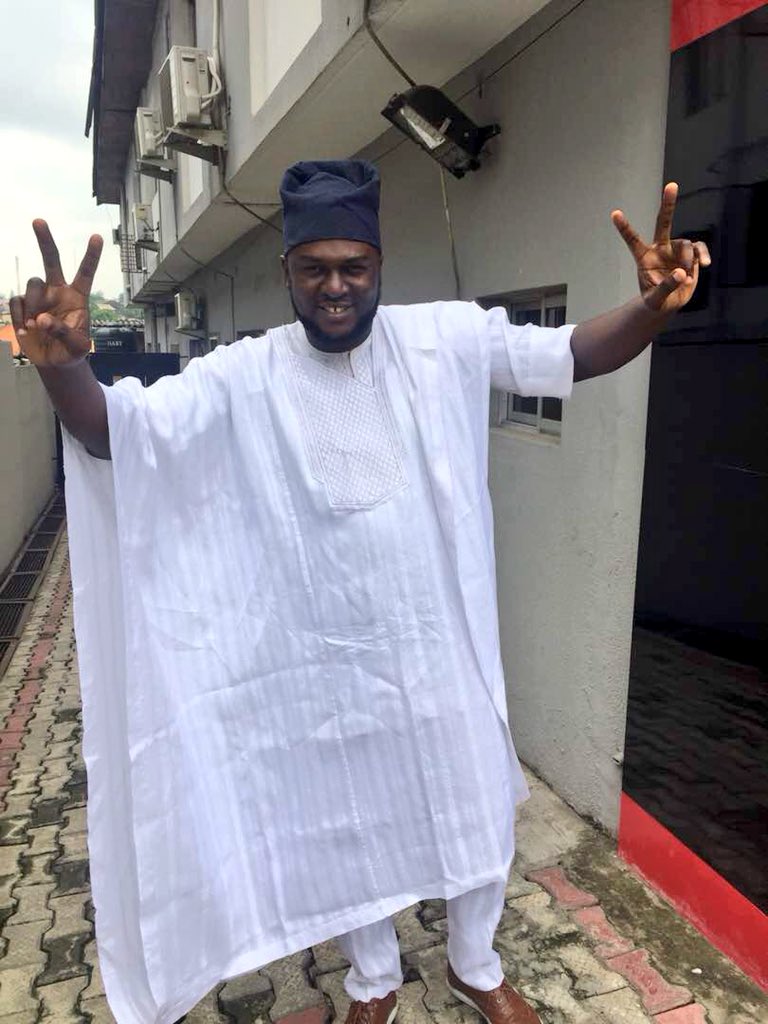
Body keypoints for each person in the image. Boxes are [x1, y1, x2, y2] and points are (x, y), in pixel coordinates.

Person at [11, 161, 709, 1024]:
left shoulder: (442, 338)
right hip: (324, 665)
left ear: (379, 263)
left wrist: (651, 308)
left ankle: (475, 964)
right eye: (315, 268)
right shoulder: (245, 372)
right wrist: (62, 371)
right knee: (347, 820)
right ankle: (373, 981)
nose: (335, 286)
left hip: (438, 646)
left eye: (354, 266)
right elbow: (118, 433)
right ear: (288, 271)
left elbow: (571, 354)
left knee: (470, 800)